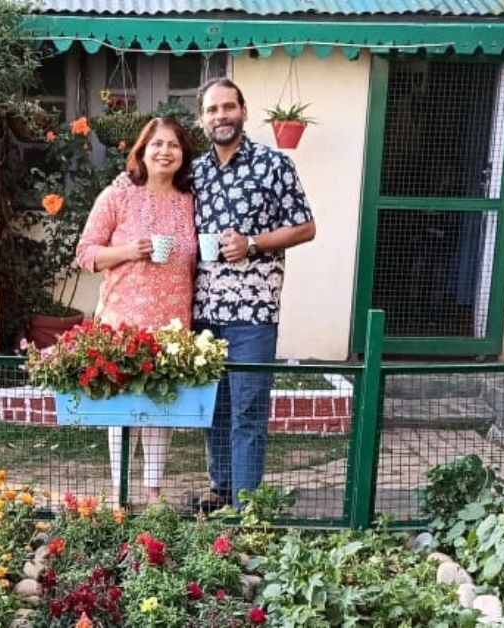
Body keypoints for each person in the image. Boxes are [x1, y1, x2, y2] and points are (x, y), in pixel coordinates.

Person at [191, 78, 316, 512]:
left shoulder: (274, 165)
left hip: (253, 312)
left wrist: (254, 244)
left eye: (228, 107)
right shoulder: (195, 172)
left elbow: (305, 227)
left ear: (243, 111)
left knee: (247, 410)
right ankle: (220, 489)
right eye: (212, 110)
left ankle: (247, 508)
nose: (220, 116)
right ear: (202, 118)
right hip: (203, 310)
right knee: (213, 408)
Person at [75, 117, 197, 506]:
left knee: (162, 406)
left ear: (183, 154)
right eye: (157, 144)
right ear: (142, 151)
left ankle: (153, 490)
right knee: (122, 409)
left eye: (174, 145)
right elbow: (86, 253)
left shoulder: (189, 200)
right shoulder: (118, 195)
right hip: (122, 321)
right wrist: (129, 252)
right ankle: (119, 490)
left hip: (173, 323)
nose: (165, 152)